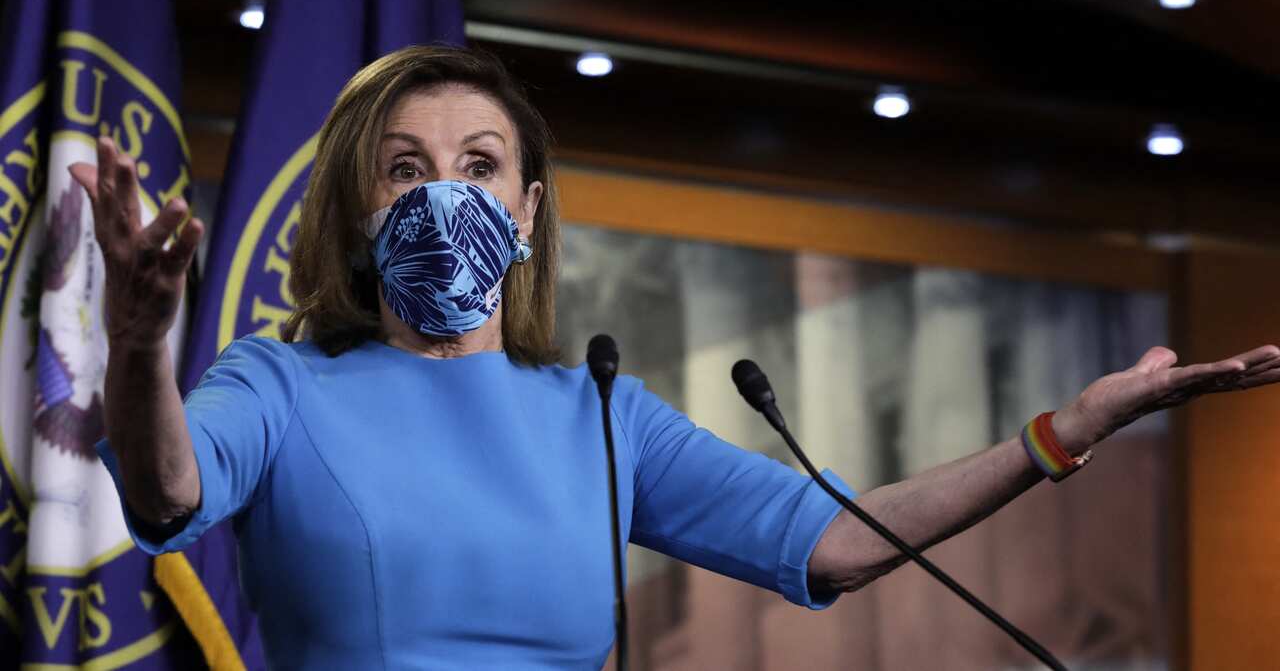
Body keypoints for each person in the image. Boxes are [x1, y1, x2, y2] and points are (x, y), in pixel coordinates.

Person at [74, 45, 1280, 670]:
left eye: (481, 166)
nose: (447, 196)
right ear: (354, 211)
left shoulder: (596, 414)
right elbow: (165, 487)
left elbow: (846, 538)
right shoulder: (280, 385)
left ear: (531, 211)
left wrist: (1067, 428)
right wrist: (140, 347)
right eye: (405, 170)